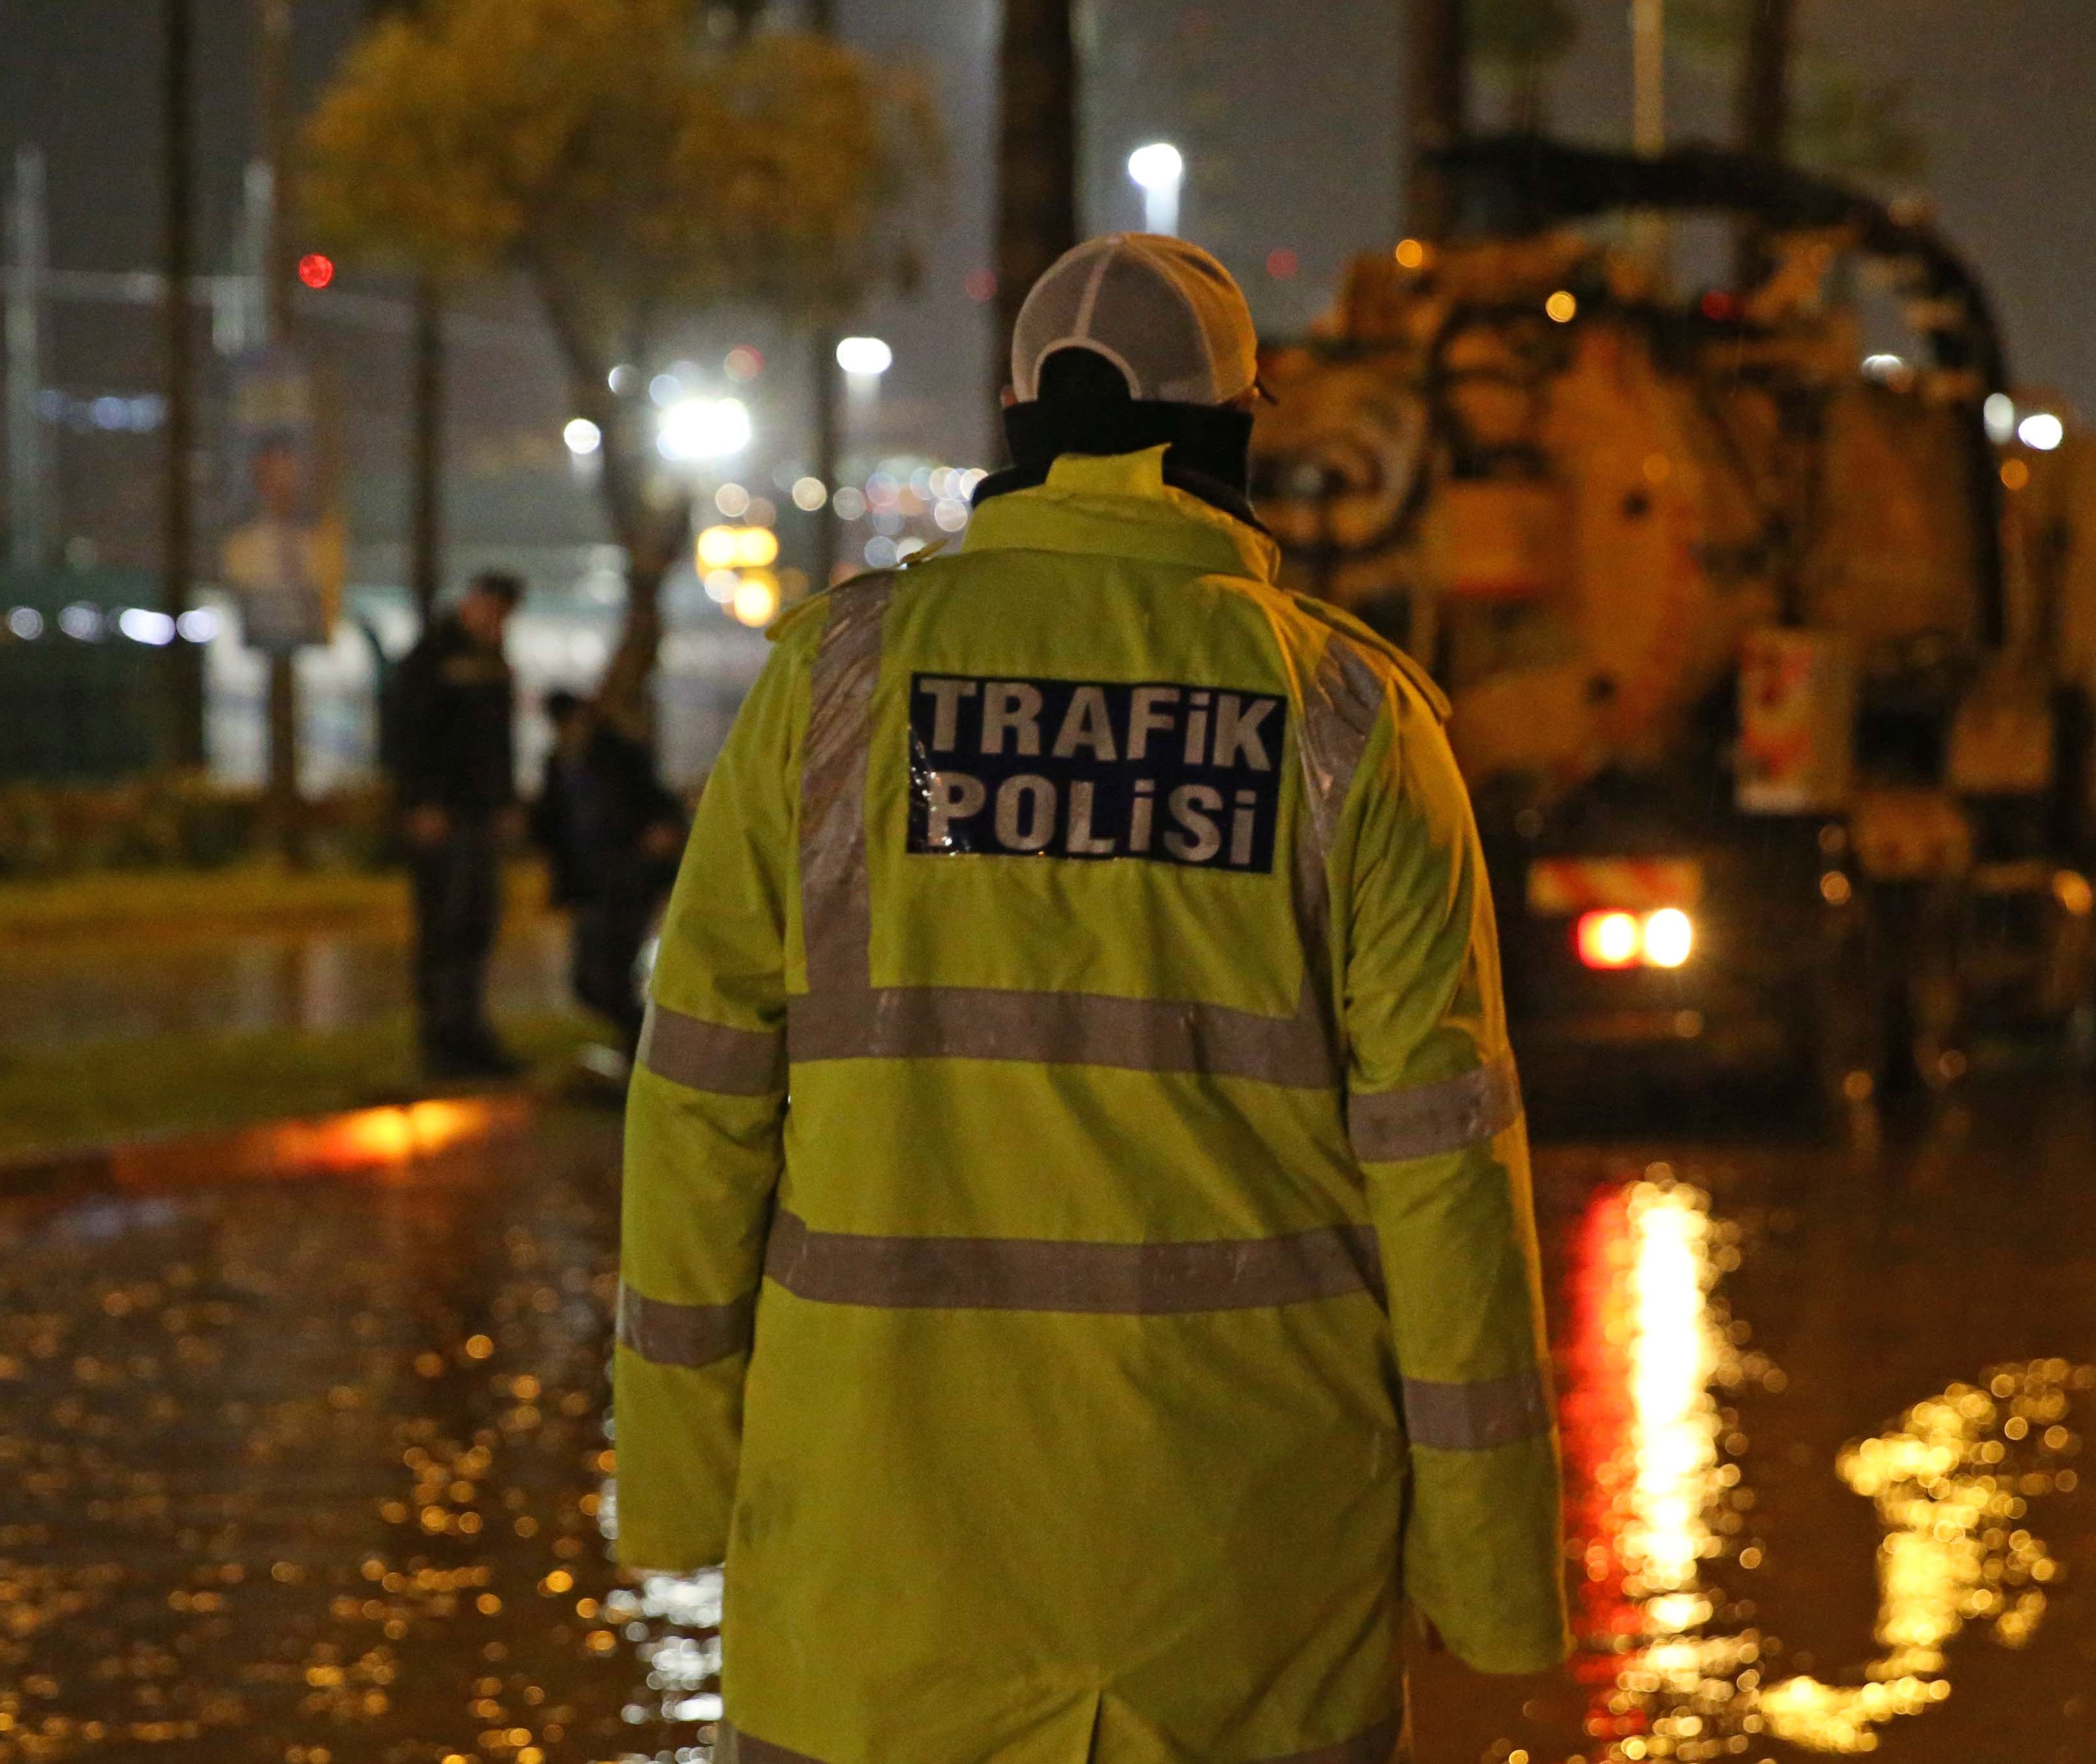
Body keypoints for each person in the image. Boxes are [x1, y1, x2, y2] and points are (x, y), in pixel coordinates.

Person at [614, 234, 1566, 1764]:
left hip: (872, 1610)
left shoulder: (832, 689)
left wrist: (676, 1490)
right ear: (1233, 430)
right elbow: (1444, 1176)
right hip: (1243, 1617)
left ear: (1019, 425)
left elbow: (696, 1108)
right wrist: (1489, 1575)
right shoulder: (1352, 722)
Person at [389, 570, 524, 1079]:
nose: (496, 622)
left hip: (478, 815)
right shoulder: (432, 659)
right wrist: (421, 802)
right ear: (472, 603)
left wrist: (505, 802)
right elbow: (408, 736)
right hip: (443, 817)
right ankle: (444, 1038)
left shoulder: (491, 661)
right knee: (445, 926)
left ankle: (469, 1033)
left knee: (475, 925)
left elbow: (498, 743)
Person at [532, 687, 687, 1050]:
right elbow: (553, 824)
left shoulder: (617, 755)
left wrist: (659, 833)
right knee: (590, 982)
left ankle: (646, 1048)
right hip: (591, 885)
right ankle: (642, 1045)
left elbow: (656, 801)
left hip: (627, 881)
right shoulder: (560, 763)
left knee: (610, 975)